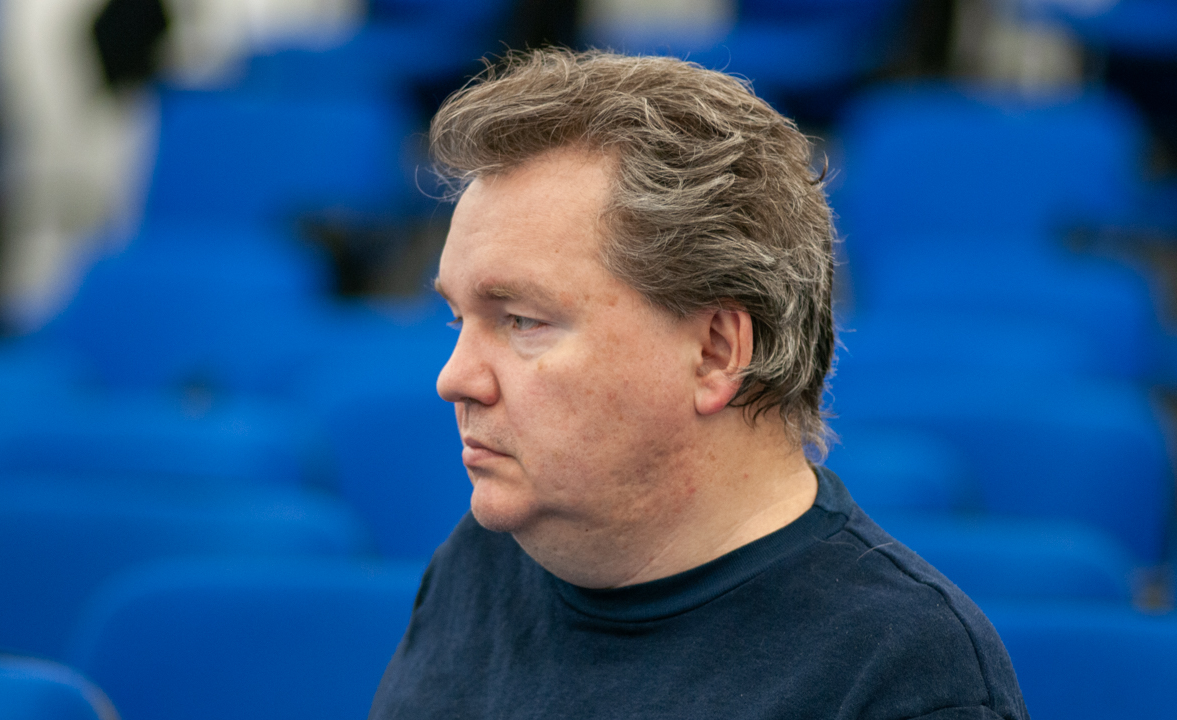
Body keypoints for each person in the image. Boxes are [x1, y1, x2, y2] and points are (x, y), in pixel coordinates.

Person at [369, 48, 1028, 720]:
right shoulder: (481, 563)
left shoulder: (905, 680)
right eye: (458, 319)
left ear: (715, 354)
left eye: (521, 321)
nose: (454, 378)